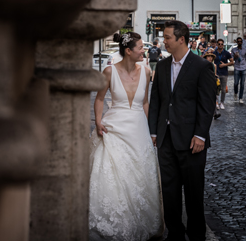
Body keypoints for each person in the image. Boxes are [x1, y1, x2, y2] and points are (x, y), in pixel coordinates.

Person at [89, 32, 164, 240]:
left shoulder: (147, 71)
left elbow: (146, 102)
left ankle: (140, 218)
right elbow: (100, 98)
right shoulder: (109, 71)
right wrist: (97, 121)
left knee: (140, 172)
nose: (144, 50)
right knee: (114, 173)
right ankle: (117, 219)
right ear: (128, 51)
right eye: (140, 47)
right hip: (115, 127)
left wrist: (150, 130)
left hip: (139, 129)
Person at [149, 20, 216, 241]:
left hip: (191, 141)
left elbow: (207, 105)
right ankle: (175, 233)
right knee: (169, 189)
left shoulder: (201, 66)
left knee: (194, 190)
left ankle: (197, 234)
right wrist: (154, 132)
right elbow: (157, 100)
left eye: (167, 37)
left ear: (181, 39)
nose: (163, 41)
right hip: (166, 139)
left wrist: (200, 135)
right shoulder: (162, 65)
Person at [214, 39, 234, 109]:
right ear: (217, 44)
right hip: (216, 73)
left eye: (221, 44)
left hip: (224, 73)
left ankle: (222, 102)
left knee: (223, 89)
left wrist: (224, 65)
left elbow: (232, 62)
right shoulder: (214, 52)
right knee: (216, 89)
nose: (220, 45)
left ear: (223, 45)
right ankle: (216, 102)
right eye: (219, 44)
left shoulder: (226, 53)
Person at [203, 52, 221, 119]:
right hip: (205, 83)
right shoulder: (203, 65)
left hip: (212, 83)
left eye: (211, 56)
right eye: (208, 56)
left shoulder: (214, 65)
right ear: (206, 57)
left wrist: (216, 76)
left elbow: (214, 73)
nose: (210, 58)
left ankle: (215, 113)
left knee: (213, 98)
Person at [231, 37, 246, 103]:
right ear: (237, 42)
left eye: (240, 41)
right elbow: (231, 59)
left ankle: (240, 98)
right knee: (236, 83)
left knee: (242, 84)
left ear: (242, 42)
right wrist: (235, 56)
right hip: (237, 67)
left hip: (243, 68)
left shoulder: (245, 49)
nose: (239, 42)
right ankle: (235, 92)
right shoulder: (234, 49)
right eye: (238, 41)